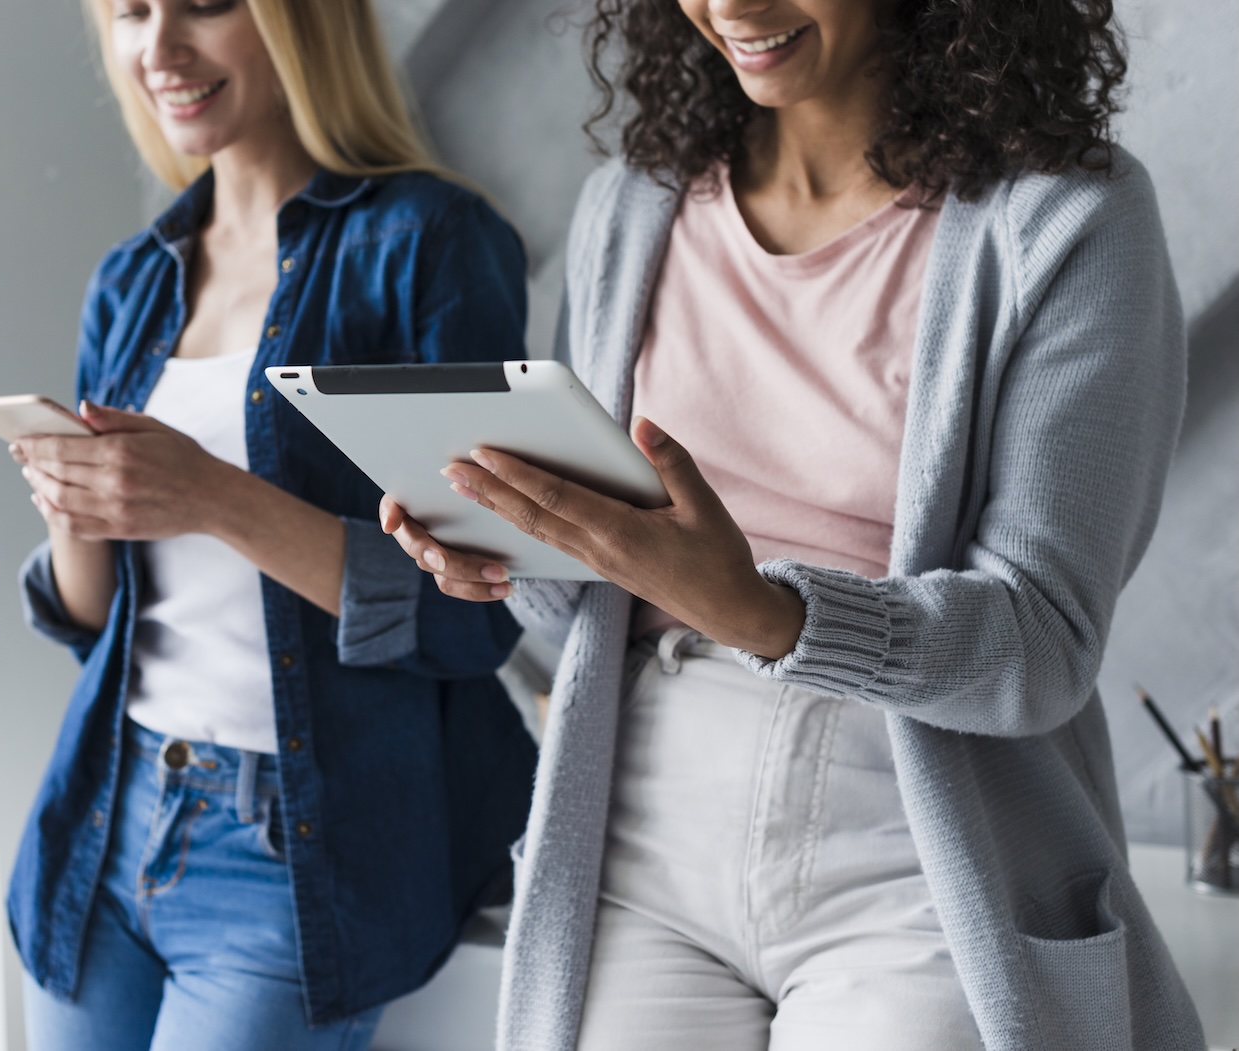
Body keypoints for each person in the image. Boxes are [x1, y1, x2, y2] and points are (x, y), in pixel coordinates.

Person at [384, 0, 1204, 1048]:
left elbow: (1042, 642)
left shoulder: (1066, 217)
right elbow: (592, 610)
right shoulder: (632, 208)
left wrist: (772, 615)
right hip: (645, 832)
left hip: (916, 848)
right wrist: (510, 546)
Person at [8, 1, 537, 1048]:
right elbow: (91, 624)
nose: (159, 49)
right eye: (129, 13)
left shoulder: (429, 243)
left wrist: (211, 496)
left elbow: (477, 612)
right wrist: (76, 501)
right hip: (109, 820)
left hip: (290, 856)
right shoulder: (131, 278)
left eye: (202, 4)